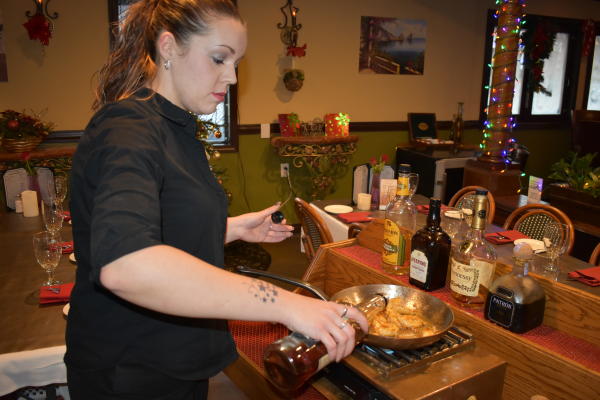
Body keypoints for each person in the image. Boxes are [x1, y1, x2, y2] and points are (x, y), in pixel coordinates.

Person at [65, 0, 368, 398]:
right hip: (131, 367)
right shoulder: (129, 129)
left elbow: (161, 227)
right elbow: (126, 265)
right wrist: (288, 306)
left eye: (236, 62)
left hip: (175, 355)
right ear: (169, 48)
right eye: (219, 58)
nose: (232, 77)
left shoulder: (173, 126)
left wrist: (229, 229)